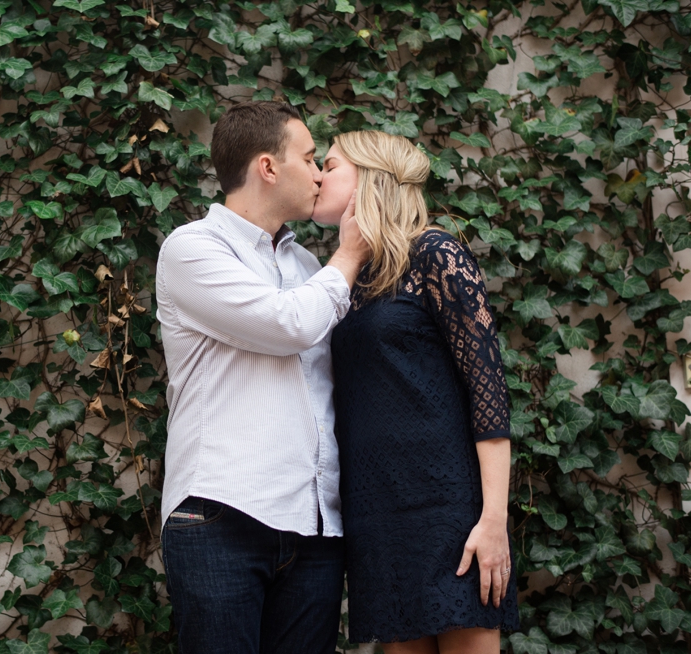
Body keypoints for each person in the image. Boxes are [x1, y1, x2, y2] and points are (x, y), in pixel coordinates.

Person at [155, 102, 370, 654]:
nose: (320, 173)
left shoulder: (305, 269)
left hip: (314, 525)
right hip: (222, 515)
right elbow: (286, 324)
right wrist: (348, 257)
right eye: (308, 158)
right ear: (269, 167)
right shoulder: (193, 249)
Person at [311, 129, 519, 653]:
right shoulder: (341, 278)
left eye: (330, 165)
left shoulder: (434, 253)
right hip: (375, 514)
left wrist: (494, 519)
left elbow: (488, 394)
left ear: (369, 178)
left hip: (447, 510)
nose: (317, 175)